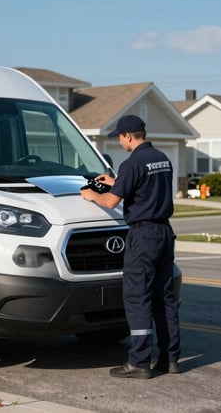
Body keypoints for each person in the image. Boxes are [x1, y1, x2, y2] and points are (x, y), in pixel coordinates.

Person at [79, 114, 180, 379]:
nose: (120, 142)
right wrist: (116, 181)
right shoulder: (161, 159)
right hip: (164, 233)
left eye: (120, 138)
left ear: (127, 136)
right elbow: (146, 187)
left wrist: (93, 194)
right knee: (164, 297)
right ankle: (170, 359)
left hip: (143, 236)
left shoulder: (132, 163)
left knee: (138, 298)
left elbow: (112, 202)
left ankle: (139, 362)